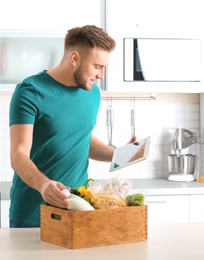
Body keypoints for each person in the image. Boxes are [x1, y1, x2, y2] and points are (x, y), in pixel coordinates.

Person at [8, 25, 136, 227]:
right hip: (34, 214)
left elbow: (83, 140)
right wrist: (43, 185)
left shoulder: (92, 93)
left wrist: (120, 155)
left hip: (79, 209)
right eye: (97, 66)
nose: (101, 75)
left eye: (104, 68)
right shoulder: (30, 91)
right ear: (74, 58)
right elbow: (18, 154)